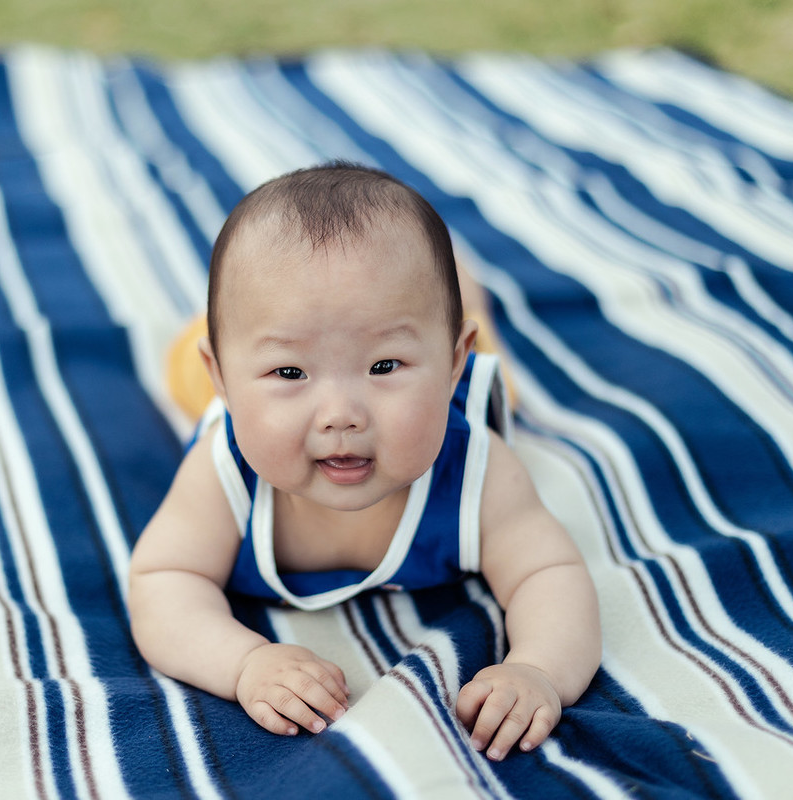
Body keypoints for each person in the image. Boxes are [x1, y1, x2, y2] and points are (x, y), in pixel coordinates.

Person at [129, 162, 600, 761]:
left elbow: (549, 574)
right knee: (189, 362)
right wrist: (245, 661)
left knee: (501, 380)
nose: (341, 414)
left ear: (454, 362)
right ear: (222, 376)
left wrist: (538, 669)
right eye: (290, 372)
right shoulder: (224, 472)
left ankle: (461, 298)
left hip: (425, 368)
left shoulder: (478, 470)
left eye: (383, 367)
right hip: (259, 367)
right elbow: (163, 581)